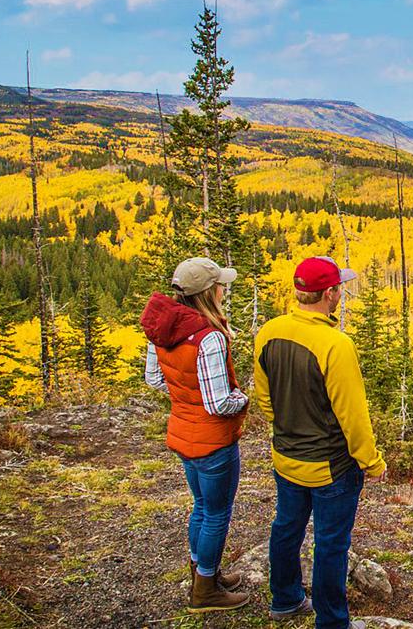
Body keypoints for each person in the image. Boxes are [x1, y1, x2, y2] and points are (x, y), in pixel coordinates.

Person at [253, 256, 386, 629]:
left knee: (286, 527)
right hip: (331, 468)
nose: (341, 292)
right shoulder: (335, 344)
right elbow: (353, 417)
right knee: (330, 544)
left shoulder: (270, 332)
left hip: (286, 457)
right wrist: (371, 462)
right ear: (329, 294)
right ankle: (331, 623)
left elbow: (265, 398)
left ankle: (285, 598)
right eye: (339, 287)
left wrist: (288, 429)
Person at [140, 257, 250, 613]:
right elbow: (219, 403)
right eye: (221, 285)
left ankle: (204, 573)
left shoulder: (163, 326)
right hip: (212, 440)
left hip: (183, 433)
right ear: (209, 292)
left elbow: (155, 379)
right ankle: (205, 592)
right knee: (217, 513)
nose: (224, 289)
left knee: (201, 507)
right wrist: (247, 398)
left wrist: (184, 395)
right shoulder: (208, 337)